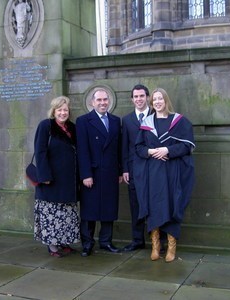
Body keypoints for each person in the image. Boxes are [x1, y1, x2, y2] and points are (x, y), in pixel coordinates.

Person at [134, 88, 195, 262]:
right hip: (153, 172)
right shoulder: (146, 123)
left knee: (172, 204)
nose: (158, 102)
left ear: (166, 100)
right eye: (155, 100)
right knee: (154, 205)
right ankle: (155, 245)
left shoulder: (179, 121)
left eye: (160, 98)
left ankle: (171, 246)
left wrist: (168, 149)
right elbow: (138, 148)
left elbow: (186, 147)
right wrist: (152, 151)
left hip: (173, 170)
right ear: (151, 103)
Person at [76, 88, 123, 257]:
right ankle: (87, 244)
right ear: (92, 102)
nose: (103, 103)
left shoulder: (116, 121)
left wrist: (120, 170)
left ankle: (106, 242)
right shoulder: (83, 121)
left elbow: (119, 148)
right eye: (99, 100)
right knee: (89, 211)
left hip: (110, 172)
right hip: (92, 173)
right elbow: (82, 150)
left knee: (109, 209)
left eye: (105, 100)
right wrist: (85, 174)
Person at [33, 96, 80, 258]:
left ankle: (64, 242)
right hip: (51, 180)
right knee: (51, 215)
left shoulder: (73, 128)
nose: (63, 113)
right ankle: (52, 247)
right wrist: (44, 175)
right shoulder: (46, 126)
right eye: (59, 110)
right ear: (54, 111)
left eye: (65, 110)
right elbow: (40, 152)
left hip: (68, 180)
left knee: (66, 215)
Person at [121, 84, 151, 251]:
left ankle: (156, 240)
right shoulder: (126, 120)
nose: (139, 99)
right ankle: (138, 240)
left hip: (153, 167)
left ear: (147, 97)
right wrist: (125, 169)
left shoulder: (157, 115)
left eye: (142, 96)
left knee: (154, 204)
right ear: (132, 99)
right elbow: (124, 146)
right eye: (136, 97)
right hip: (133, 169)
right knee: (135, 205)